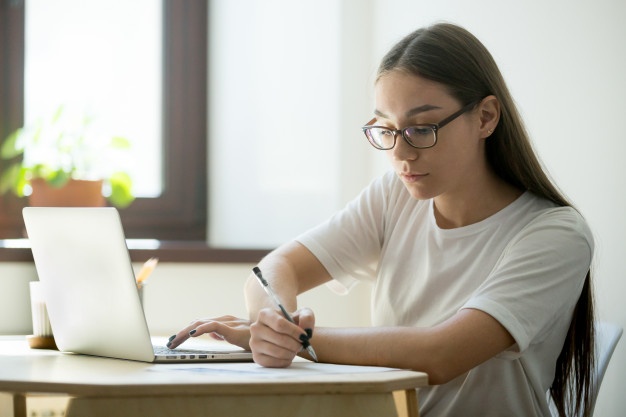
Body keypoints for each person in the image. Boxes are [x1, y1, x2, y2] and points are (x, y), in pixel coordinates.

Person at [168, 23, 595, 417]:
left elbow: (441, 354)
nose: (402, 155)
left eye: (422, 129)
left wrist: (299, 342)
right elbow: (275, 270)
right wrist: (272, 322)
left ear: (485, 117)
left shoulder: (554, 234)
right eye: (386, 130)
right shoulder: (396, 195)